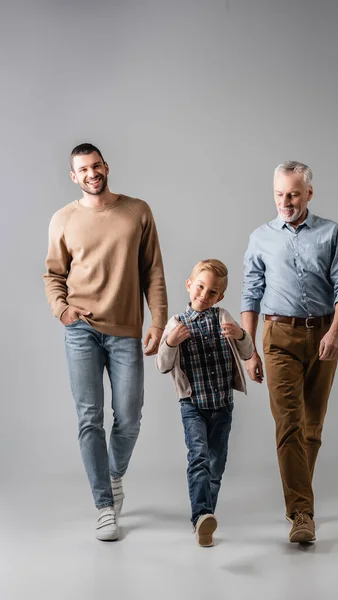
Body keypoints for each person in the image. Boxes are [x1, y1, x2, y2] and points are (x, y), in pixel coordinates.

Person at [44, 143, 168, 541]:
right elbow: (53, 275)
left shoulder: (137, 211)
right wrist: (62, 310)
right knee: (89, 419)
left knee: (129, 417)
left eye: (96, 166)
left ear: (106, 167)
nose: (92, 174)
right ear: (74, 176)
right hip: (81, 330)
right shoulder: (63, 219)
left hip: (126, 330)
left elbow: (153, 272)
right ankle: (104, 506)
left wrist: (158, 322)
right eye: (83, 169)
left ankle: (113, 476)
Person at [241, 161, 338, 543]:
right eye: (279, 194)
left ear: (309, 193)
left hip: (324, 334)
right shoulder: (260, 237)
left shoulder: (330, 233)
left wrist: (337, 332)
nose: (285, 202)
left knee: (312, 427)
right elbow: (250, 293)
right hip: (277, 338)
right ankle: (302, 514)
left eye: (293, 193)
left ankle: (299, 500)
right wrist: (248, 351)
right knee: (288, 423)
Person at [156, 259, 254, 547]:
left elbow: (247, 352)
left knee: (216, 464)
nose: (204, 295)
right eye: (200, 287)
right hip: (193, 406)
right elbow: (162, 365)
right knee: (198, 457)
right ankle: (202, 516)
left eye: (212, 292)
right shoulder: (176, 323)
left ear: (220, 297)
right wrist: (171, 342)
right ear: (189, 285)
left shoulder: (223, 317)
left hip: (222, 405)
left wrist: (240, 334)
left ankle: (205, 517)